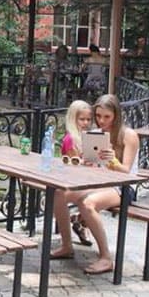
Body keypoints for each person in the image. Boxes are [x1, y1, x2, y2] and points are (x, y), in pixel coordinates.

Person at [49, 94, 139, 274]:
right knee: (58, 193)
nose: (101, 121)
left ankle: (106, 257)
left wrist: (113, 160)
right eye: (98, 116)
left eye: (107, 116)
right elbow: (92, 167)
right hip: (99, 182)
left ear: (116, 115)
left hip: (123, 186)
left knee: (87, 203)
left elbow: (127, 171)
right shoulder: (96, 134)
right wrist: (86, 162)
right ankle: (67, 246)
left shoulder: (128, 135)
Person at [58, 100, 94, 246]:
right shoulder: (71, 139)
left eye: (88, 119)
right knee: (91, 197)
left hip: (88, 177)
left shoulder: (89, 136)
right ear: (73, 119)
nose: (86, 123)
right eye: (82, 119)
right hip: (73, 180)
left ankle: (80, 222)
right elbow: (73, 164)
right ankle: (81, 224)